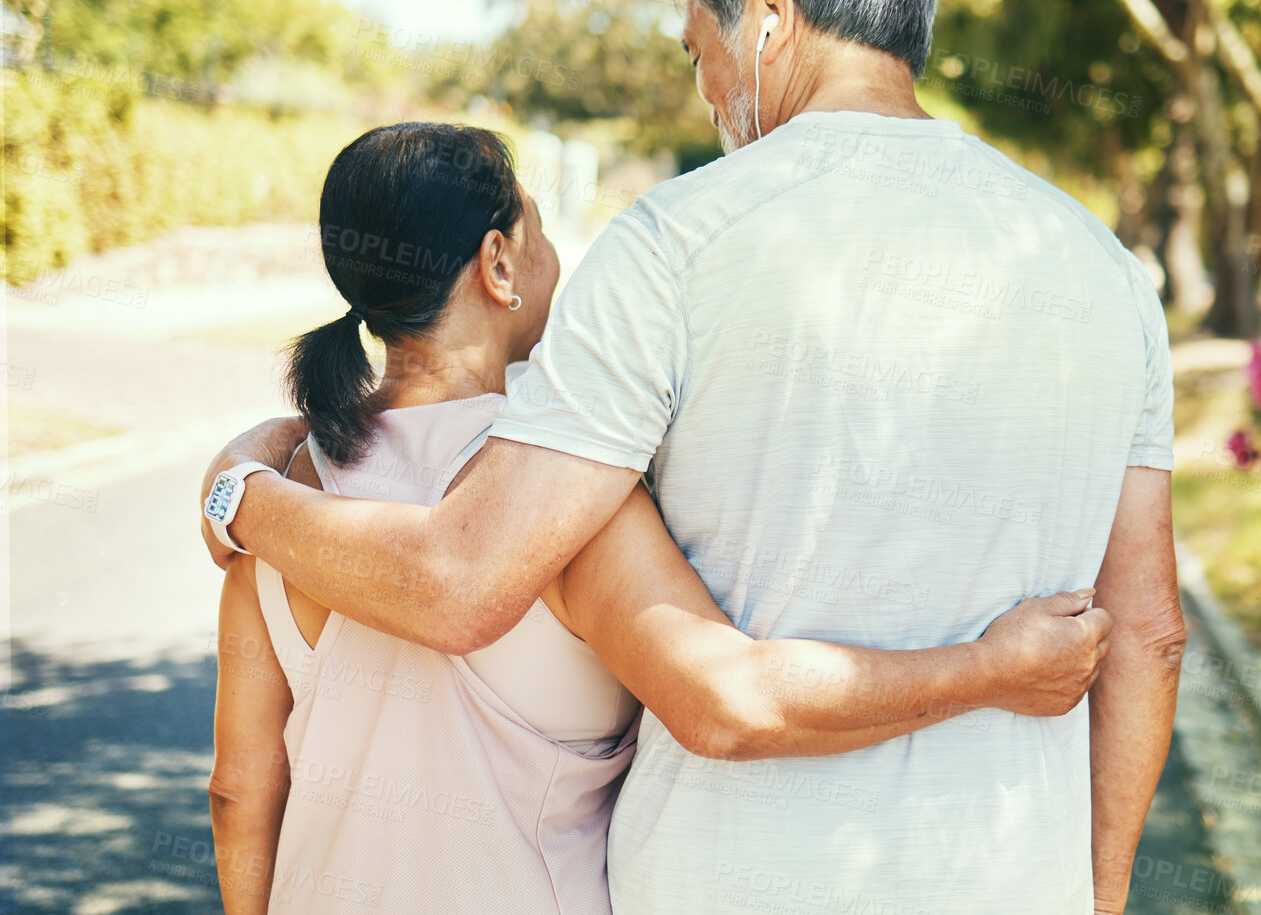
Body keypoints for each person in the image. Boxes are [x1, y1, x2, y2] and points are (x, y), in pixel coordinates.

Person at [203, 0, 1182, 914]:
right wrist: (1098, 891)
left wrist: (240, 491)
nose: (707, 91)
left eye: (698, 52)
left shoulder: (677, 242)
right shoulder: (1101, 268)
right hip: (1008, 877)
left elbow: (464, 577)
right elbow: (1151, 632)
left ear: (769, 13)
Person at [208, 122, 1113, 913]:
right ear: (496, 263)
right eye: (538, 227)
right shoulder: (555, 503)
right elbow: (731, 700)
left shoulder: (283, 493)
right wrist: (991, 668)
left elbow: (241, 790)